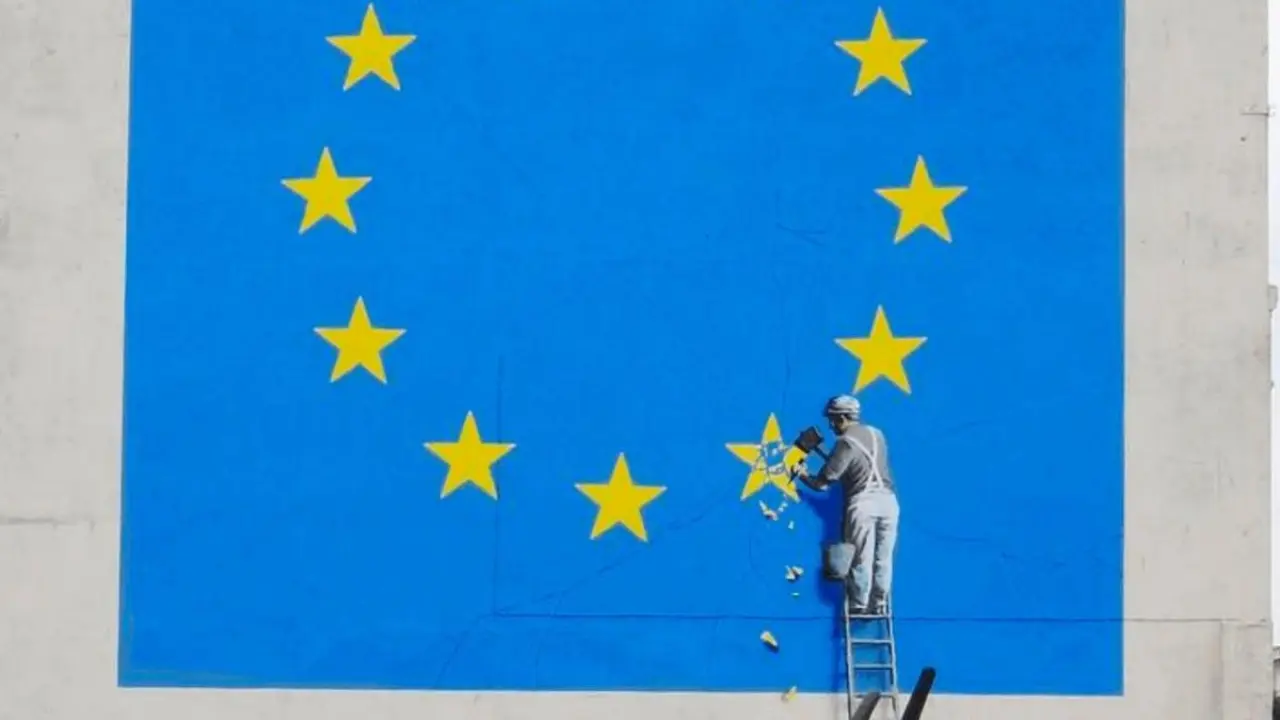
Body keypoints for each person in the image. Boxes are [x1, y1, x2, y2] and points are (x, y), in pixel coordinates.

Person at [793, 394, 900, 615]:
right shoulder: (877, 434)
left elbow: (823, 483)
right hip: (889, 503)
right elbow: (860, 465)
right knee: (883, 558)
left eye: (832, 420)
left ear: (842, 417)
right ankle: (879, 603)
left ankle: (859, 603)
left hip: (863, 503)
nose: (831, 426)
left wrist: (802, 474)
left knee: (861, 556)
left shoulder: (845, 442)